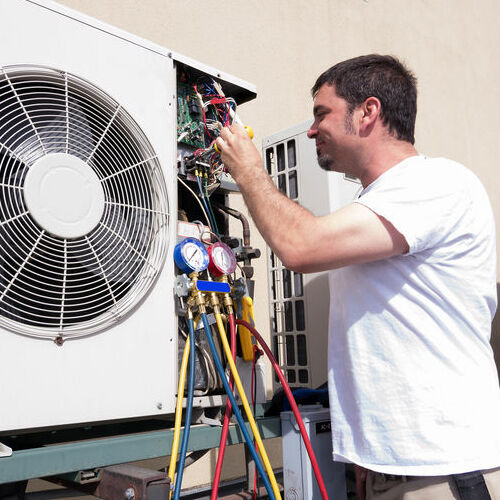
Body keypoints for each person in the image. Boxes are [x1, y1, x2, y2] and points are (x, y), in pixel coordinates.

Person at [215, 54, 500, 499]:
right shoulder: (381, 201)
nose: (311, 130)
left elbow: (300, 246)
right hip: (393, 470)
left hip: (444, 472)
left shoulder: (434, 183)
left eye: (321, 113)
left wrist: (248, 168)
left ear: (368, 112)